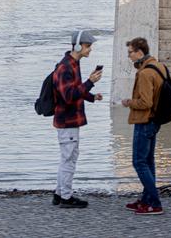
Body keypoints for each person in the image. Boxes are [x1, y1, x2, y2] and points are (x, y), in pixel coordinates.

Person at [51, 30, 104, 209]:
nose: (90, 50)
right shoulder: (66, 67)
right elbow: (68, 96)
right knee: (69, 159)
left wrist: (91, 96)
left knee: (68, 157)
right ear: (79, 45)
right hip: (68, 121)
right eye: (88, 46)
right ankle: (66, 197)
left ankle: (59, 194)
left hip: (69, 120)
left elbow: (75, 90)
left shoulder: (73, 63)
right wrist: (89, 82)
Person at [120, 38, 167, 215]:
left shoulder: (145, 73)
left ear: (139, 52)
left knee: (139, 162)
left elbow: (145, 102)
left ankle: (154, 203)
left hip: (145, 121)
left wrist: (128, 102)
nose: (129, 56)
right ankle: (146, 199)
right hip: (155, 120)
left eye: (130, 52)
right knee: (148, 162)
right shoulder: (159, 66)